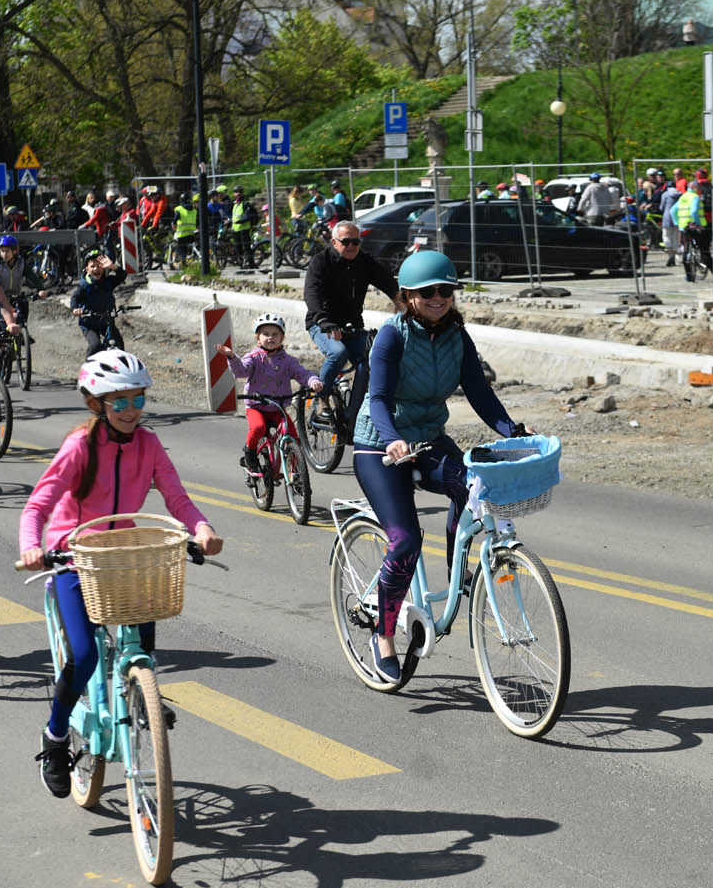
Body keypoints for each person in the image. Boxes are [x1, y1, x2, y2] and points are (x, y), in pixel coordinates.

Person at [18, 349, 222, 796]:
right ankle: (54, 738)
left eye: (138, 400)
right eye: (120, 402)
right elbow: (39, 504)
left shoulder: (148, 444)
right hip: (75, 555)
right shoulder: (80, 446)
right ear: (97, 404)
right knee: (85, 656)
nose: (131, 411)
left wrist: (201, 528)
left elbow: (177, 497)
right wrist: (33, 547)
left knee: (143, 619)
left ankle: (140, 688)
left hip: (122, 553)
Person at [350, 250, 530, 685]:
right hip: (380, 443)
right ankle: (384, 635)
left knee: (474, 486)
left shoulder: (457, 337)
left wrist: (513, 431)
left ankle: (457, 573)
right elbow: (376, 398)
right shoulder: (393, 336)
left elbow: (480, 393)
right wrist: (392, 438)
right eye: (428, 291)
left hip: (428, 436)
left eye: (445, 290)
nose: (438, 298)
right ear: (408, 296)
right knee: (407, 539)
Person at [303, 219, 401, 439]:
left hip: (352, 325)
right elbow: (312, 294)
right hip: (322, 324)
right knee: (338, 352)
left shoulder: (364, 262)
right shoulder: (321, 262)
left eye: (356, 242)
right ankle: (321, 397)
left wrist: (404, 307)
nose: (351, 246)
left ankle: (352, 416)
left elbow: (389, 284)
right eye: (346, 241)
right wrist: (325, 321)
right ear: (334, 242)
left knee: (370, 359)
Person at [216, 314, 323, 473]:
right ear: (258, 338)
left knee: (292, 436)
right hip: (256, 406)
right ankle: (250, 453)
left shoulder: (288, 361)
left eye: (275, 334)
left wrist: (313, 381)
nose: (270, 337)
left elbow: (303, 374)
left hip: (278, 408)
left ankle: (297, 474)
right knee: (258, 427)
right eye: (266, 334)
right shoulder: (254, 357)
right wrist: (231, 356)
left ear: (282, 338)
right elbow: (241, 371)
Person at [69, 248, 128, 356]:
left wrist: (112, 266)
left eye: (99, 265)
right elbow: (74, 298)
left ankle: (121, 370)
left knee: (118, 343)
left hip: (106, 321)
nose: (96, 268)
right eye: (92, 266)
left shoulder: (108, 282)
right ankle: (88, 368)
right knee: (96, 346)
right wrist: (75, 309)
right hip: (89, 323)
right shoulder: (85, 285)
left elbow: (123, 275)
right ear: (87, 269)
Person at [229, 186, 255, 269]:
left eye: (240, 192)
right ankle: (242, 266)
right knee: (238, 249)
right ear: (234, 194)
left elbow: (248, 216)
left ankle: (250, 266)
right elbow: (234, 216)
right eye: (236, 192)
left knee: (247, 249)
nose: (238, 194)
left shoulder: (245, 204)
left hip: (244, 229)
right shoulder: (235, 204)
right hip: (235, 230)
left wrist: (239, 221)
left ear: (243, 193)